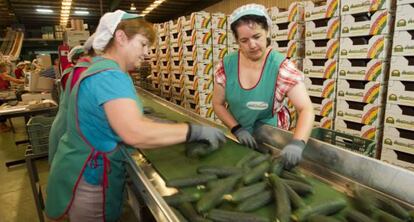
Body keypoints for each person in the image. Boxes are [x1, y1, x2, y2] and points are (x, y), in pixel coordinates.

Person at [45, 10, 226, 222]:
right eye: (142, 44)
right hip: (90, 179)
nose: (147, 52)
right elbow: (134, 132)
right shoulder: (109, 76)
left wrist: (161, 125)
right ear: (120, 37)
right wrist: (194, 131)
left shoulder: (102, 69)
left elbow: (126, 119)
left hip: (82, 170)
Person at [212, 4, 314, 169]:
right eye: (244, 40)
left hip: (273, 137)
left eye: (257, 36)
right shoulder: (226, 66)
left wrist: (298, 143)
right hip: (239, 135)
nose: (252, 45)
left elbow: (306, 109)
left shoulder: (281, 67)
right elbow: (217, 104)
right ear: (237, 41)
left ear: (267, 32)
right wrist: (236, 129)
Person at [48, 35, 95, 164]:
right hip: (66, 123)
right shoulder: (72, 73)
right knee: (65, 161)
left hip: (72, 121)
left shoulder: (77, 71)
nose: (87, 59)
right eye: (82, 57)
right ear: (75, 59)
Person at [0, 62, 24, 132]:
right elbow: (17, 81)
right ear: (2, 68)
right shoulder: (3, 75)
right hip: (2, 96)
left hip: (2, 94)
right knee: (17, 98)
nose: (7, 68)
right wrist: (26, 81)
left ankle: (3, 124)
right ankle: (2, 125)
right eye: (5, 67)